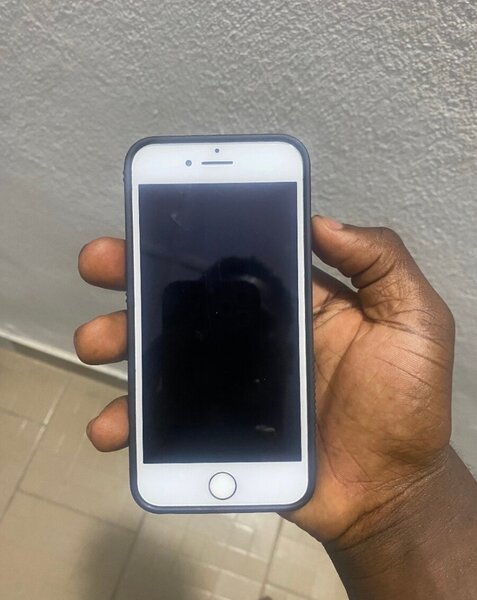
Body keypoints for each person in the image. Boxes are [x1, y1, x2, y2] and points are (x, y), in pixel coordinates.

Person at [75, 215, 477, 599]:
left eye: (247, 308)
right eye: (221, 307)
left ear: (276, 325)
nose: (232, 319)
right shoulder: (184, 340)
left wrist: (401, 498)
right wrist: (401, 502)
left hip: (241, 434)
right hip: (188, 434)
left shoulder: (274, 351)